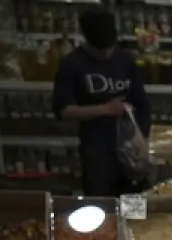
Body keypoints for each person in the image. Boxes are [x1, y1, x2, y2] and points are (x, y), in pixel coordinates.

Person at [51, 8, 150, 197]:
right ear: (86, 40)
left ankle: (132, 227)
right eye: (100, 49)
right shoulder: (72, 64)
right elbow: (63, 111)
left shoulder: (125, 60)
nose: (106, 53)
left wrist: (142, 137)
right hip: (97, 151)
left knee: (136, 206)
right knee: (101, 205)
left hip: (130, 149)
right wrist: (105, 109)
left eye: (110, 47)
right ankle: (107, 226)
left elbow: (142, 103)